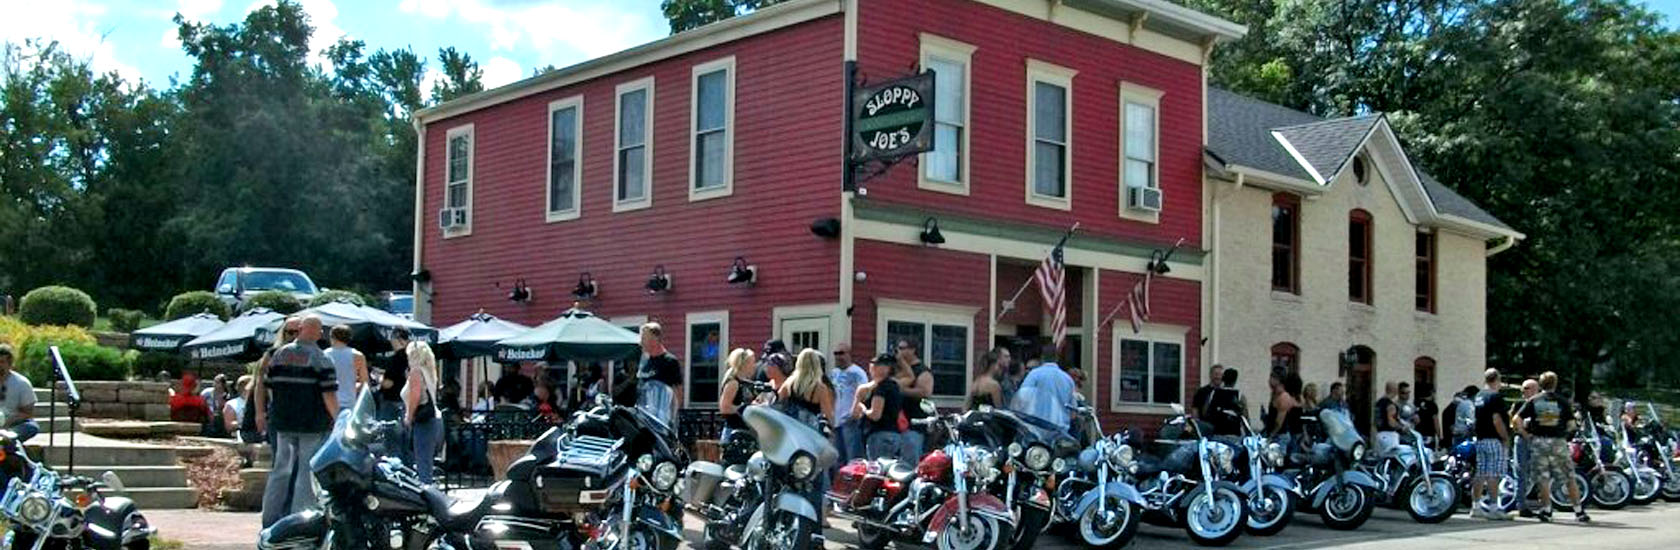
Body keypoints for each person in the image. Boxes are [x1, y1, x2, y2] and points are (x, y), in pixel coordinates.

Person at [256, 315, 340, 528]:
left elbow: (269, 386)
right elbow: (328, 395)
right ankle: (298, 522)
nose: (322, 334)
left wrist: (270, 411)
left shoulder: (278, 355)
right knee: (305, 473)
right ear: (314, 331)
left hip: (283, 423)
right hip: (311, 424)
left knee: (280, 471)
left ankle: (270, 520)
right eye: (320, 329)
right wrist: (339, 419)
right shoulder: (321, 359)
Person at [1516, 371, 1590, 523]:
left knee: (1542, 478)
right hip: (1558, 442)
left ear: (1541, 384)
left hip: (1539, 442)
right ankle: (1579, 511)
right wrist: (1564, 432)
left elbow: (1517, 418)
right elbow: (1571, 425)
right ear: (1555, 384)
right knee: (1569, 476)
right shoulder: (1562, 402)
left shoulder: (1534, 401)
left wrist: (1525, 434)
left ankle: (1547, 510)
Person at [1471, 368, 1513, 520]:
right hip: (1494, 439)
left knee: (1480, 473)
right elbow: (1497, 419)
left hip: (1481, 439)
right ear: (1497, 379)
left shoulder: (1479, 396)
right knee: (1493, 474)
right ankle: (1494, 508)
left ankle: (1475, 507)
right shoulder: (1495, 396)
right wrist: (1505, 437)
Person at [403, 341, 444, 484]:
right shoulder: (429, 371)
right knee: (427, 461)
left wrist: (408, 416)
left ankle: (425, 496)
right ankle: (428, 489)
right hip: (434, 419)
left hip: (422, 419)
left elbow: (415, 396)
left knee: (422, 462)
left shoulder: (416, 371)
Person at [1011, 360, 1078, 441]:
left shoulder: (1034, 375)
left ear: (1042, 361)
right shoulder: (1068, 379)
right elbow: (1073, 414)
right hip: (1060, 435)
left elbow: (1021, 401)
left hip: (1035, 432)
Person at [855, 353, 904, 460]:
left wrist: (863, 409)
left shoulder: (881, 388)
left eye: (877, 365)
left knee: (877, 472)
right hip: (894, 434)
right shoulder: (895, 386)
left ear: (887, 368)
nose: (873, 368)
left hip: (879, 435)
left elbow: (875, 415)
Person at [636, 323, 683, 428]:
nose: (641, 342)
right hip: (645, 417)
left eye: (644, 338)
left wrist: (672, 417)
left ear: (655, 339)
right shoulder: (645, 361)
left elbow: (678, 391)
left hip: (662, 418)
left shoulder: (670, 361)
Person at [894, 338, 935, 458]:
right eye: (897, 348)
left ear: (912, 350)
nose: (898, 352)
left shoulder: (922, 370)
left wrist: (902, 391)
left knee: (910, 460)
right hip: (897, 425)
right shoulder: (899, 369)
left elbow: (925, 392)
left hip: (915, 423)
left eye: (902, 348)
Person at [830, 344, 867, 464]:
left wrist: (855, 412)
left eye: (841, 353)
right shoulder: (833, 373)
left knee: (853, 458)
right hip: (836, 421)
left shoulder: (857, 372)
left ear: (849, 354)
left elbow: (865, 394)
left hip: (851, 420)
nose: (838, 356)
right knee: (838, 458)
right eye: (835, 353)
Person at [325, 325, 369, 419]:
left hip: (328, 402)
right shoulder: (358, 356)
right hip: (349, 402)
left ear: (332, 337)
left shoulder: (324, 355)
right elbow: (365, 382)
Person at [0, 345, 39, 442]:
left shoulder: (22, 383)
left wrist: (7, 423)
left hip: (12, 423)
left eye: (1, 362)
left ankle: (6, 439)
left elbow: (28, 413)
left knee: (31, 427)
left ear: (10, 364)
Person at [717, 348, 758, 442]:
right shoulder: (733, 383)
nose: (754, 366)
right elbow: (724, 408)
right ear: (745, 364)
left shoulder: (745, 382)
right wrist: (745, 408)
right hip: (733, 433)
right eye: (752, 362)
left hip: (744, 432)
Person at [1513, 378, 1539, 515]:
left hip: (1538, 441)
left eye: (1527, 388)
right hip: (1523, 441)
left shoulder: (1540, 404)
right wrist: (1525, 433)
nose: (1524, 391)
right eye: (1523, 388)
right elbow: (1514, 422)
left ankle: (1542, 502)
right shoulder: (1519, 405)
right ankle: (1521, 505)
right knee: (1521, 472)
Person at [1266, 370, 1303, 447]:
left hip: (1279, 436)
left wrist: (1271, 436)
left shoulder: (1283, 397)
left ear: (1278, 380)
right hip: (1272, 434)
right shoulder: (1274, 395)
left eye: (1272, 378)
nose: (1269, 381)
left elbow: (1279, 422)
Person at [1203, 368, 1245, 436]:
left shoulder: (1213, 393)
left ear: (1223, 379)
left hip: (1216, 431)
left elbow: (1205, 411)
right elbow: (1245, 416)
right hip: (1234, 432)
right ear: (1235, 381)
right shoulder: (1239, 396)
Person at [1375, 381, 1401, 456]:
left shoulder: (1378, 403)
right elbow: (1391, 422)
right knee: (1392, 459)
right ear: (1395, 390)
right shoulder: (1391, 405)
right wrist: (1401, 427)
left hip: (1379, 434)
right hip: (1389, 435)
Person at [1415, 384, 1441, 449]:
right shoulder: (1432, 405)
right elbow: (1436, 421)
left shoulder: (1416, 403)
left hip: (1417, 434)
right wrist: (1439, 436)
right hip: (1429, 435)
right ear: (1431, 393)